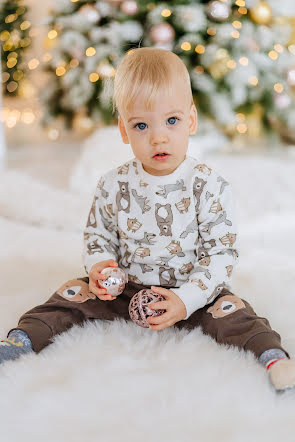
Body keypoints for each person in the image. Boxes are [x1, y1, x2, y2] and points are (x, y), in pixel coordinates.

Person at [1, 47, 295, 393]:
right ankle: (20, 340)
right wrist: (100, 267)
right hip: (126, 289)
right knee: (69, 297)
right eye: (141, 125)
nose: (158, 137)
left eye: (171, 121)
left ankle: (273, 357)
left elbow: (221, 255)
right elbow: (98, 235)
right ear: (124, 130)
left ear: (191, 120)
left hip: (191, 292)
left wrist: (186, 300)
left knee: (235, 314)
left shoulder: (208, 185)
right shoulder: (114, 184)